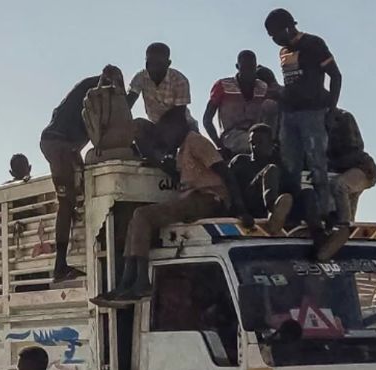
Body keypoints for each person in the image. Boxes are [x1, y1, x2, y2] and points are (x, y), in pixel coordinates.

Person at [90, 114, 250, 307]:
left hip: (208, 199)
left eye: (166, 131)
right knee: (136, 221)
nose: (164, 137)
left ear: (177, 127)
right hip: (193, 199)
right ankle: (126, 282)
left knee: (143, 215)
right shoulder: (181, 149)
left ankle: (140, 281)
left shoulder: (196, 142)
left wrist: (240, 208)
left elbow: (225, 172)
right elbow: (177, 173)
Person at [264, 8, 346, 259]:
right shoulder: (283, 52)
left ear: (288, 27)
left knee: (317, 165)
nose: (274, 40)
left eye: (275, 34)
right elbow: (290, 86)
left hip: (313, 112)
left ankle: (327, 217)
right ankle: (298, 215)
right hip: (289, 114)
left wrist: (330, 110)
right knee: (291, 166)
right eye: (270, 36)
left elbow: (335, 76)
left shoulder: (313, 44)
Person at [40, 66, 126, 283]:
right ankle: (60, 266)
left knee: (80, 188)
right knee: (66, 202)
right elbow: (103, 129)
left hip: (62, 145)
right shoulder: (96, 93)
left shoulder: (84, 89)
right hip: (59, 145)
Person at [204, 50, 277, 158]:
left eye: (251, 68)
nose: (248, 72)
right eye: (244, 68)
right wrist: (219, 145)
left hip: (258, 134)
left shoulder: (263, 87)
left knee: (272, 105)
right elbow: (207, 119)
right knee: (261, 147)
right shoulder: (223, 86)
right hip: (231, 136)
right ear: (237, 67)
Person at [128, 43, 192, 162]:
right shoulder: (140, 77)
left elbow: (179, 116)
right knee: (136, 125)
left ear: (168, 64)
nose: (153, 68)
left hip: (182, 127)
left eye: (158, 64)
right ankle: (150, 158)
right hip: (156, 128)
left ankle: (167, 158)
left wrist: (161, 138)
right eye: (149, 63)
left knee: (191, 147)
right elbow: (128, 104)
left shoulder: (179, 80)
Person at [229, 123, 293, 232]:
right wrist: (241, 212)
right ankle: (273, 211)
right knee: (271, 169)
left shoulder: (279, 164)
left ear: (270, 144)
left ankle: (319, 232)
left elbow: (291, 189)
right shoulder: (240, 161)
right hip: (248, 205)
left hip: (268, 204)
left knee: (307, 193)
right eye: (252, 143)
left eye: (259, 143)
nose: (254, 147)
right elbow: (229, 185)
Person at [326, 108, 376, 226]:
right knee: (347, 202)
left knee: (340, 186)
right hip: (344, 170)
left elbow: (355, 148)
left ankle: (343, 226)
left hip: (362, 168)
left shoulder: (343, 117)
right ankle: (346, 229)